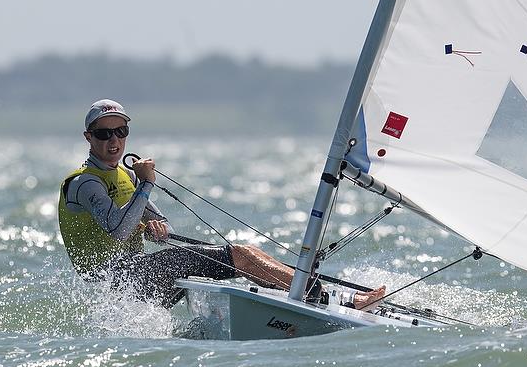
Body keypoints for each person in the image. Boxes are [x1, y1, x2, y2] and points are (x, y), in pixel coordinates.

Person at [58, 99, 385, 309]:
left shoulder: (125, 177)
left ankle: (308, 292)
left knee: (245, 255)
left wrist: (156, 228)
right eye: (104, 135)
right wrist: (146, 184)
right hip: (118, 282)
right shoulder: (85, 182)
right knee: (240, 256)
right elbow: (116, 231)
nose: (114, 140)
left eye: (120, 131)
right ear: (88, 138)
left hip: (138, 280)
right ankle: (333, 299)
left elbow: (162, 228)